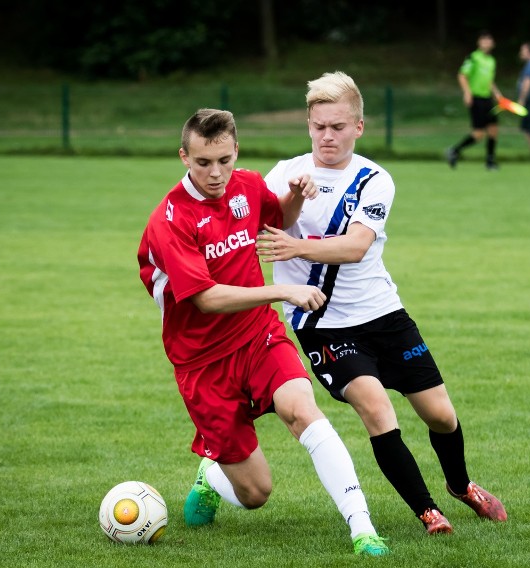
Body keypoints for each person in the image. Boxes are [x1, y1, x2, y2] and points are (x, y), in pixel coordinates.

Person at [257, 71, 508, 536]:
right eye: (319, 127)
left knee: (440, 415)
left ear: (358, 127)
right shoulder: (284, 171)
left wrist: (296, 248)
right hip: (322, 323)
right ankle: (429, 512)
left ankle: (461, 485)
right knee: (376, 408)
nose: (327, 136)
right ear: (308, 125)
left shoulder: (374, 179)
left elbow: (354, 247)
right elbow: (271, 222)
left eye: (337, 127)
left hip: (383, 313)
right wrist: (293, 194)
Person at [137, 108, 389, 556]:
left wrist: (296, 195)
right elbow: (205, 298)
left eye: (224, 160)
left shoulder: (249, 185)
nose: (216, 173)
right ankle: (213, 476)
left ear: (236, 150)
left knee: (303, 410)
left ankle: (362, 529)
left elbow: (283, 220)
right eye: (202, 163)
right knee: (256, 493)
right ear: (183, 157)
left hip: (258, 337)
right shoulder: (169, 220)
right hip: (202, 363)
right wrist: (283, 291)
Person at [447, 30, 504, 170]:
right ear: (479, 42)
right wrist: (467, 93)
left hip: (487, 99)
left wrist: (497, 94)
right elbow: (462, 75)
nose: (486, 43)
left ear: (493, 43)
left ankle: (490, 161)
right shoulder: (473, 57)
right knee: (478, 134)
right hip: (476, 99)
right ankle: (454, 151)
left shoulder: (491, 61)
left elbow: (489, 81)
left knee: (493, 129)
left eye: (488, 40)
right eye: (483, 40)